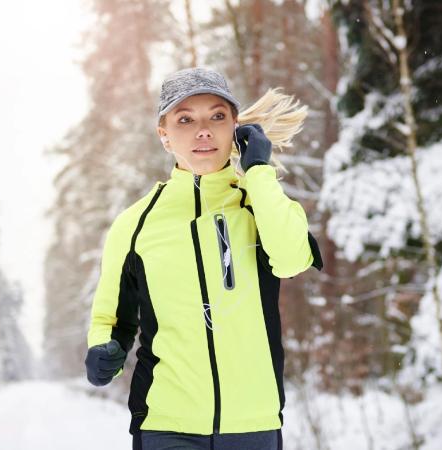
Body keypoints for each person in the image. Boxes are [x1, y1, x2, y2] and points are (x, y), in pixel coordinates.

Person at [85, 67, 323, 450]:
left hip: (253, 426)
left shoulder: (259, 202)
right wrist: (102, 349)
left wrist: (260, 171)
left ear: (235, 128)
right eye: (185, 119)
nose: (203, 130)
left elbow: (292, 258)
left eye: (217, 116)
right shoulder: (135, 224)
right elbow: (111, 317)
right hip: (166, 426)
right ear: (164, 135)